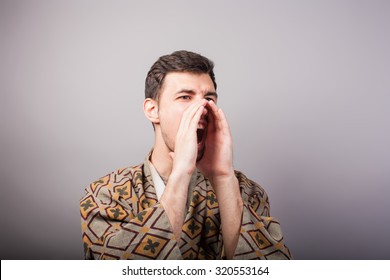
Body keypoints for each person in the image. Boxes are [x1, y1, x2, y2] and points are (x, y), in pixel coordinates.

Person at [80, 50, 292, 260]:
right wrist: (181, 172)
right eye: (184, 97)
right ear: (152, 110)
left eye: (209, 98)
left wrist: (223, 177)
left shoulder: (247, 191)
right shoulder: (107, 194)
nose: (201, 108)